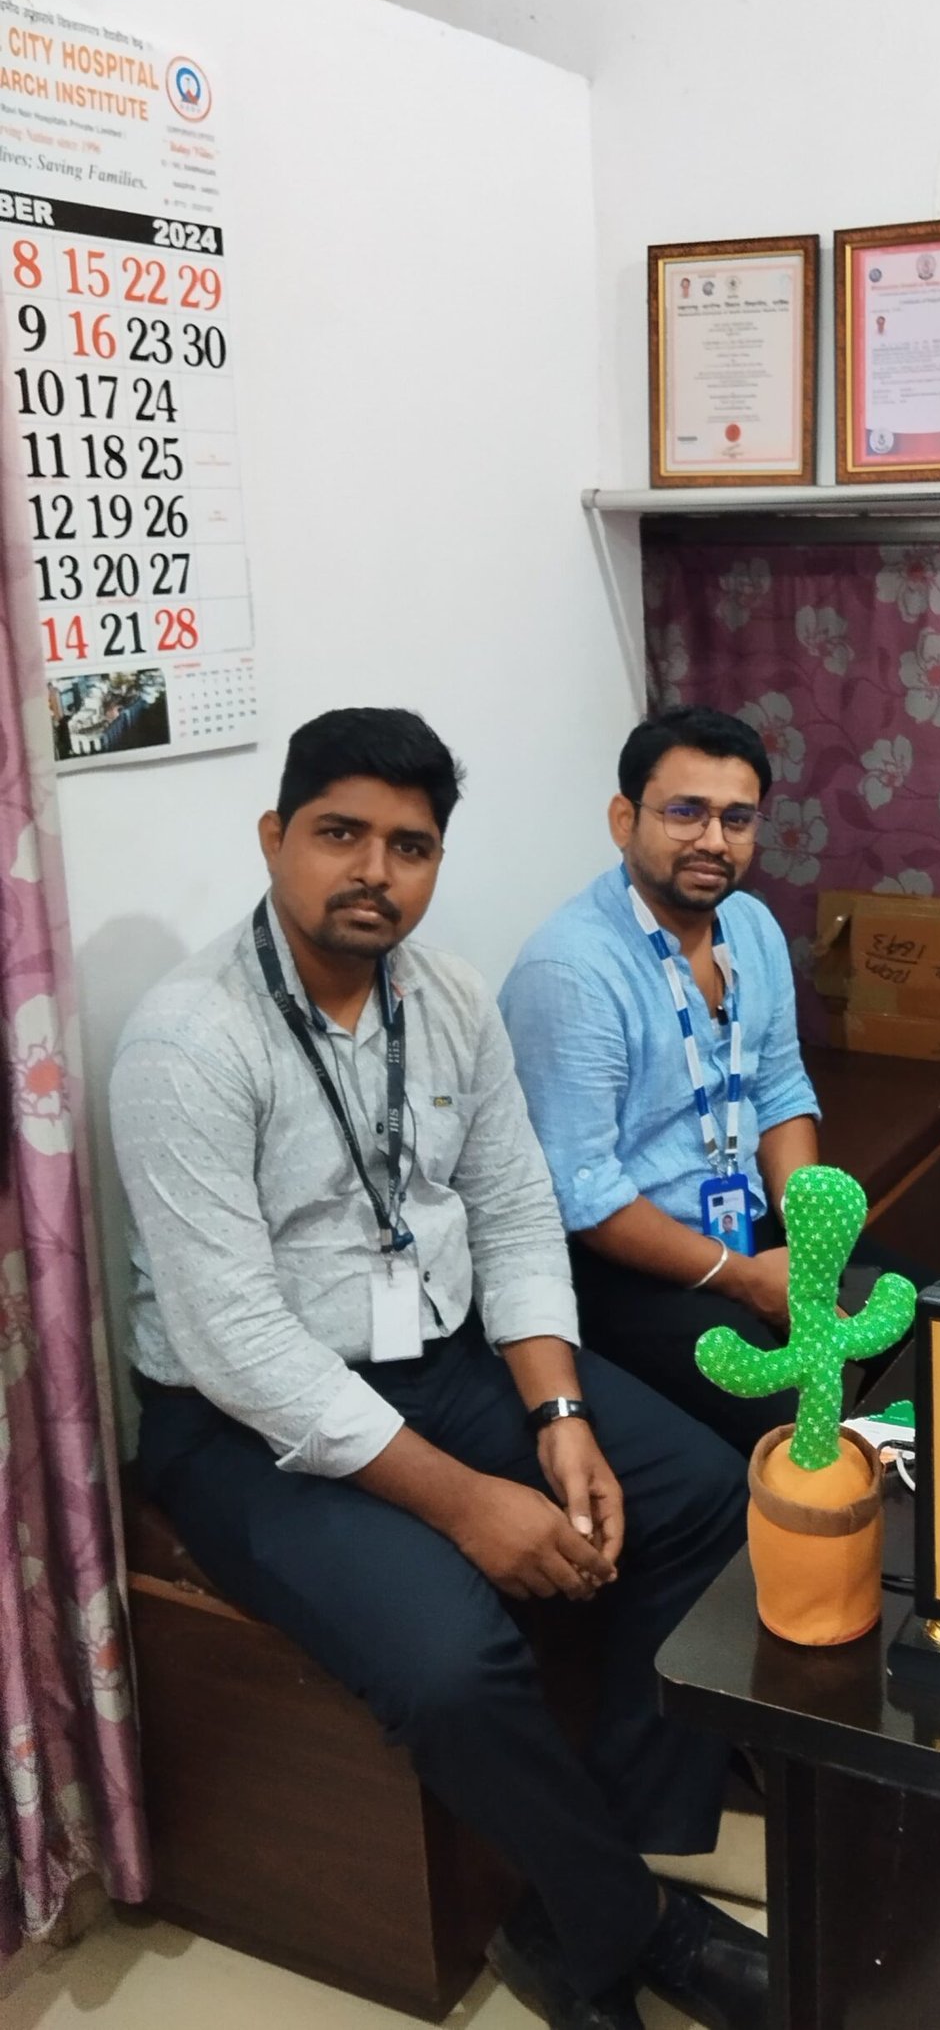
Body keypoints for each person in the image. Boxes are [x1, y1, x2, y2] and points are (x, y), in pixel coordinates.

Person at [112, 708, 764, 2030]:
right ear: (274, 838)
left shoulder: (451, 999)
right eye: (339, 834)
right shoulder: (190, 1039)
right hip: (241, 1421)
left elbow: (515, 1213)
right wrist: (467, 1502)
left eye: (409, 846)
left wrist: (560, 1411)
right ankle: (631, 1922)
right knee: (454, 1657)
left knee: (701, 1491)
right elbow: (237, 1339)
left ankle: (593, 1872)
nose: (374, 871)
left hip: (445, 1357)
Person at [501, 705, 915, 1455]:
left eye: (736, 819)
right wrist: (747, 1279)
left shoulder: (750, 926)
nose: (714, 841)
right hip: (627, 1262)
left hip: (751, 1228)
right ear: (623, 819)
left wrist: (807, 1243)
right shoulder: (570, 969)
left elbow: (780, 1091)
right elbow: (586, 1194)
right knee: (798, 1425)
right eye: (685, 813)